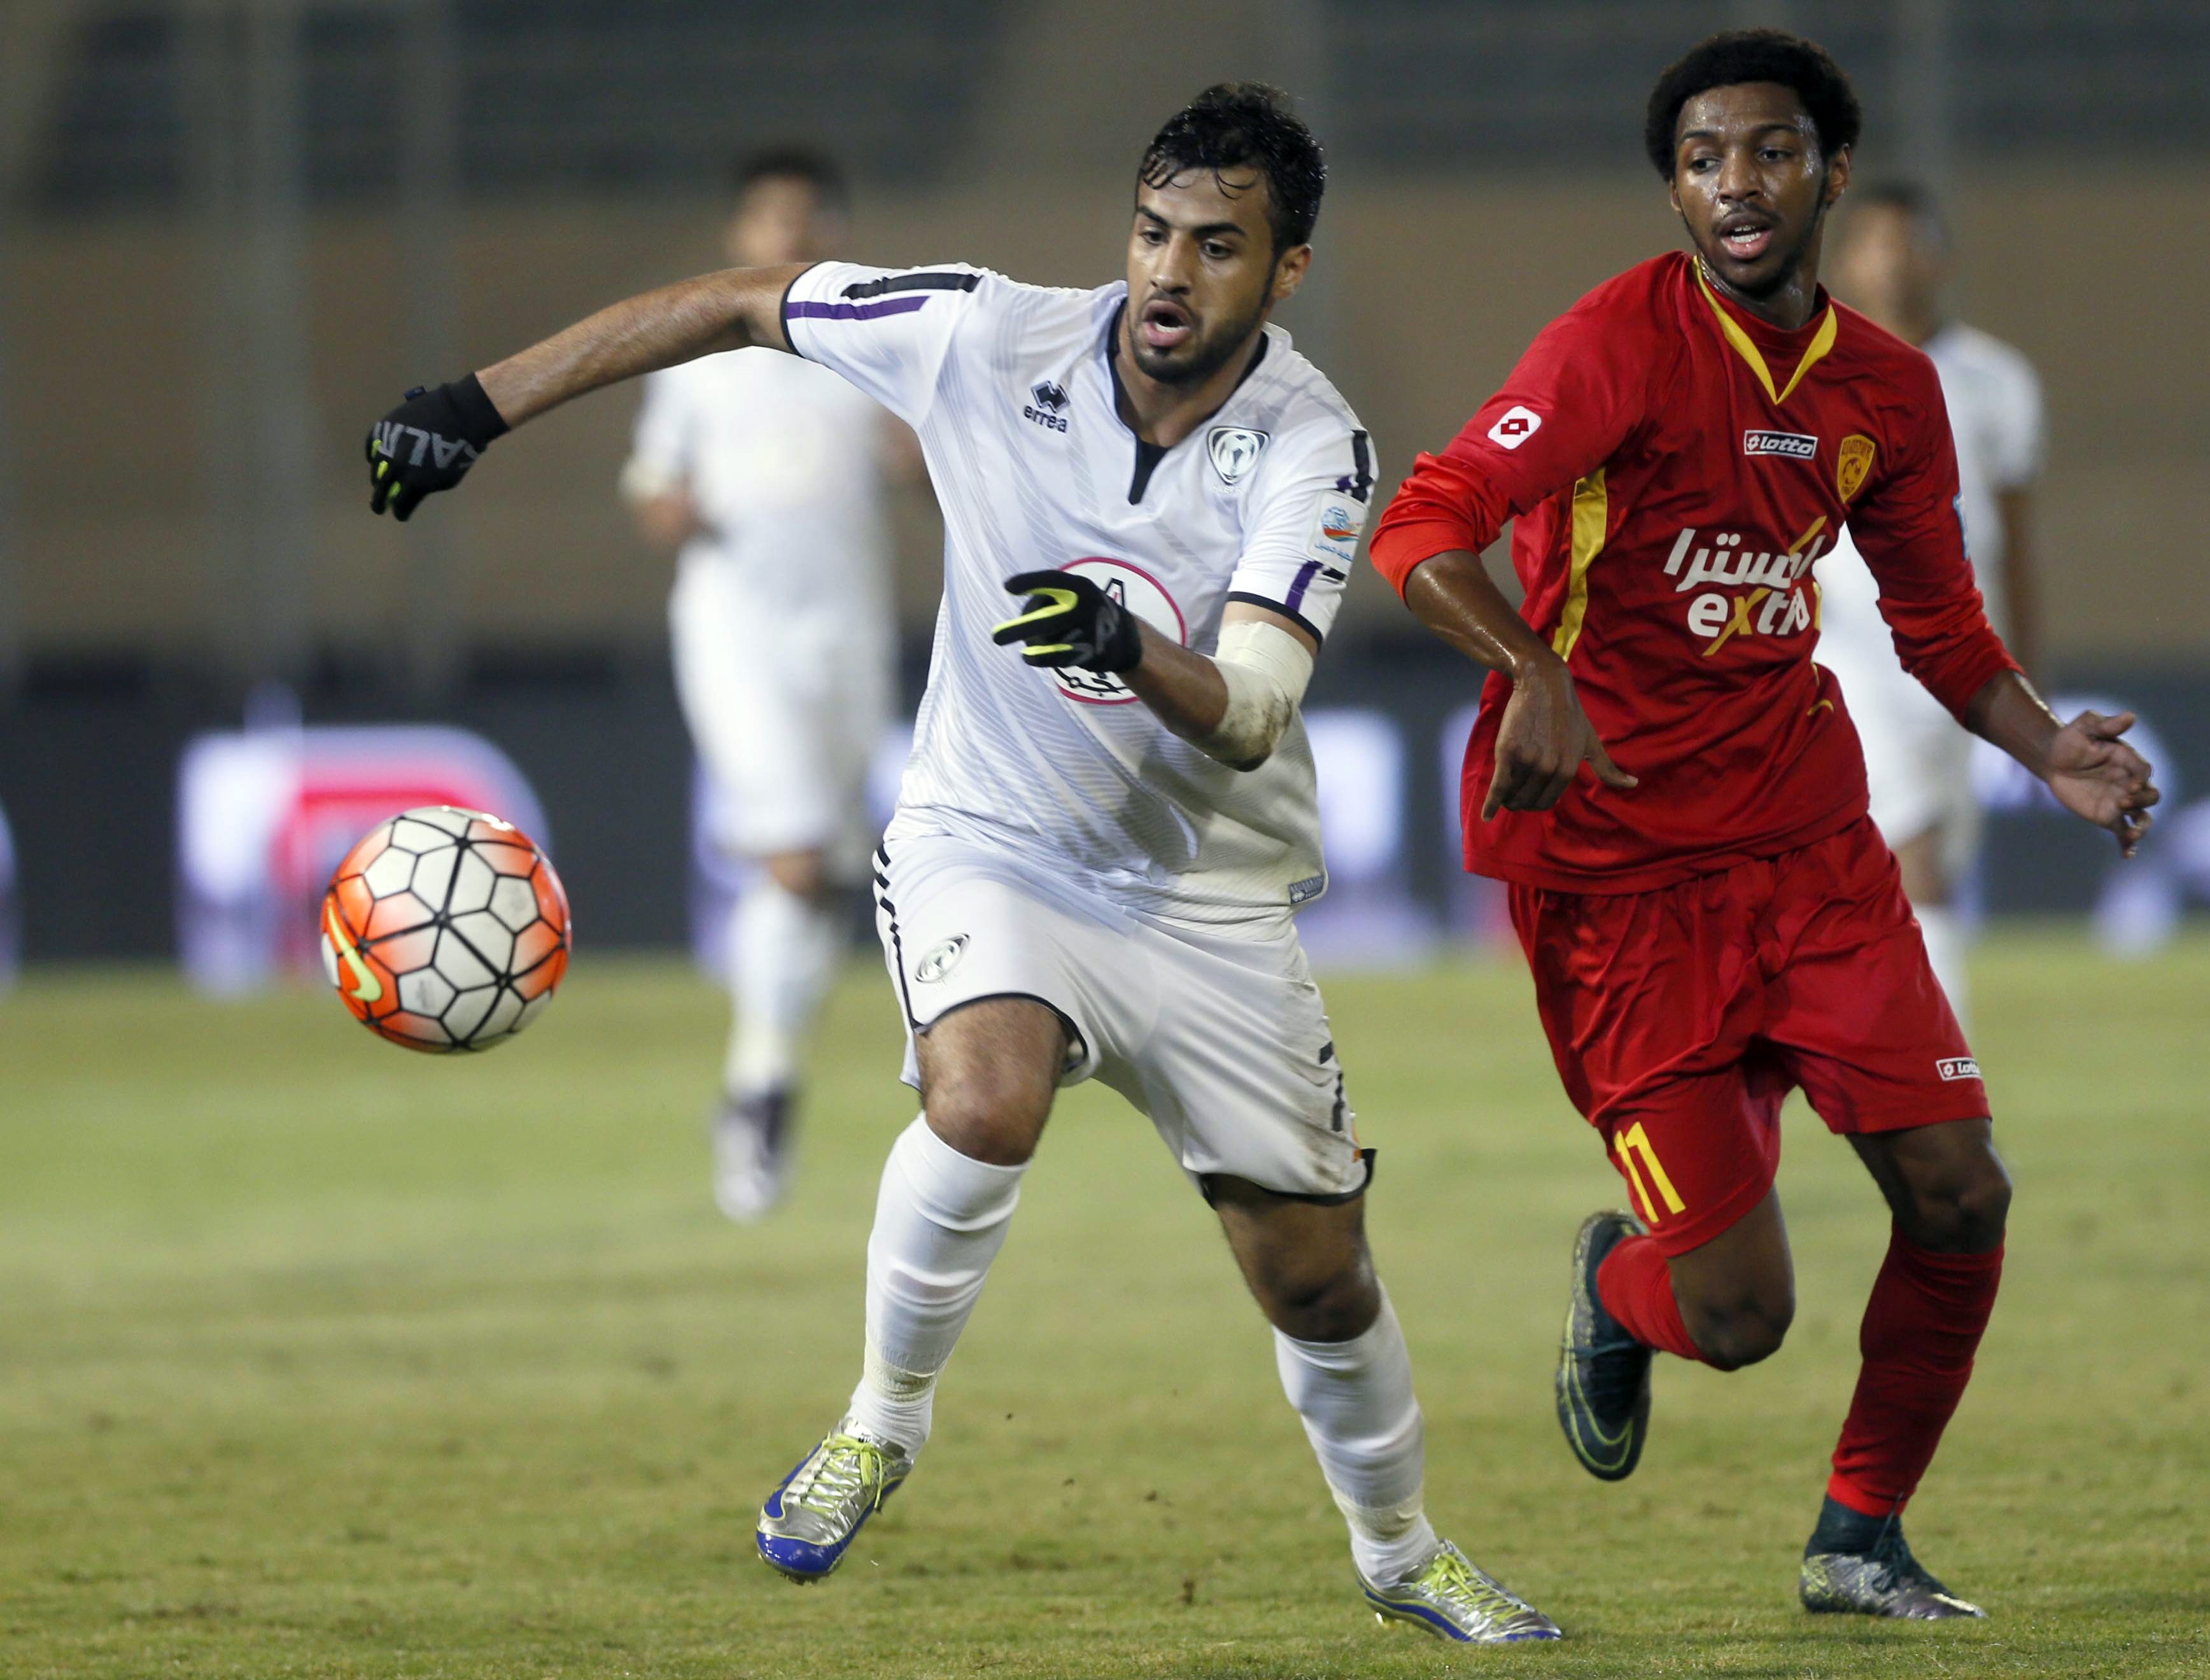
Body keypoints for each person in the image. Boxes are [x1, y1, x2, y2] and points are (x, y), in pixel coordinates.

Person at [364, 84, 1559, 1646]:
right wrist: (476, 401)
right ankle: (881, 1420)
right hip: (984, 840)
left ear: (1285, 275)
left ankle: (1401, 1555)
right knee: (980, 1094)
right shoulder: (984, 335)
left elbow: (1256, 709)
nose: (1167, 275)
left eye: (1216, 248)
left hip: (1203, 897)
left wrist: (1128, 647)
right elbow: (737, 303)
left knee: (1316, 1278)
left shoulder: (1311, 439)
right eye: (1150, 234)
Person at [1369, 31, 2155, 1621]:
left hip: (1806, 851)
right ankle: (1613, 1283)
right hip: (1611, 872)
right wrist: (1527, 664)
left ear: (1829, 173)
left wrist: (2039, 744)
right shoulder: (1611, 346)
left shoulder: (1885, 388)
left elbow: (1935, 624)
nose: (1737, 183)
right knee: (1735, 1319)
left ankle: (1856, 1538)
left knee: (1959, 1191)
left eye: (1769, 152)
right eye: (1704, 158)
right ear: (1674, 185)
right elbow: (1426, 518)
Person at [619, 148, 908, 1222]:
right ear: (741, 233)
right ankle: (766, 1096)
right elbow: (654, 486)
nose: (789, 234)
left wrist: (915, 457)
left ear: (833, 228)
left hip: (848, 633)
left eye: (809, 215)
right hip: (736, 627)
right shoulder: (694, 351)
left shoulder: (870, 350)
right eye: (770, 217)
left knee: (822, 872)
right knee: (793, 859)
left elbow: (923, 474)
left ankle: (755, 1082)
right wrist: (673, 511)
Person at [1815, 181, 2046, 1024]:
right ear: (1845, 259)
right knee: (1919, 862)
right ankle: (1946, 1071)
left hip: (1960, 651)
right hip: (1852, 649)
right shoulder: (1817, 373)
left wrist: (2028, 670)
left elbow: (2014, 537)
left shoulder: (1997, 379)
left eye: (1910, 241)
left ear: (1941, 257)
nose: (1893, 259)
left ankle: (1882, 1048)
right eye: (1875, 242)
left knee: (1929, 859)